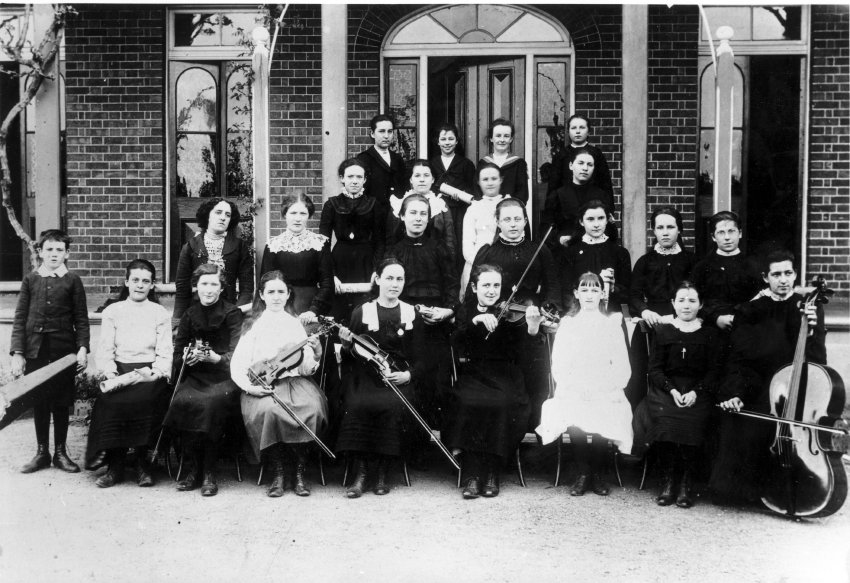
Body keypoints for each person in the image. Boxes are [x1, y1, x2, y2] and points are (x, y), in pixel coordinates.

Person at [710, 250, 826, 505]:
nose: (783, 280)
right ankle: (750, 492)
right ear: (766, 278)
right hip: (756, 384)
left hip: (795, 389)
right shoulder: (750, 310)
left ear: (795, 274)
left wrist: (813, 330)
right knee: (741, 421)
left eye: (788, 273)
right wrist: (735, 393)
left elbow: (819, 362)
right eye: (776, 274)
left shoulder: (809, 308)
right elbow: (737, 359)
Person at [443, 264, 543, 499]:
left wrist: (533, 327)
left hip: (506, 376)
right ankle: (472, 474)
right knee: (468, 401)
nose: (491, 290)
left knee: (500, 403)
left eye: (496, 285)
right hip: (474, 374)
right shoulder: (466, 310)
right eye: (486, 285)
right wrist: (475, 322)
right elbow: (454, 342)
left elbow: (526, 357)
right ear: (475, 287)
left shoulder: (512, 314)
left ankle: (492, 472)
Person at [231, 270, 329, 498]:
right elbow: (238, 363)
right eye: (271, 292)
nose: (276, 296)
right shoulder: (252, 324)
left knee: (311, 409)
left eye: (281, 292)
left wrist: (315, 353)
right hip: (262, 384)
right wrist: (250, 387)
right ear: (262, 295)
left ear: (288, 295)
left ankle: (299, 471)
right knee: (270, 411)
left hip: (295, 383)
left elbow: (304, 368)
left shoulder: (294, 324)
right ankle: (278, 471)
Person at [536, 272, 632, 497]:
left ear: (602, 293)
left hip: (604, 384)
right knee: (571, 406)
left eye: (594, 289)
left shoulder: (611, 323)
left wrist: (606, 386)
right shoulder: (569, 324)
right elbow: (559, 362)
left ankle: (597, 472)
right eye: (585, 290)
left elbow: (620, 362)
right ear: (577, 294)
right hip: (574, 384)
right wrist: (576, 385)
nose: (590, 295)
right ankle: (583, 471)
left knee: (604, 408)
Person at [335, 258, 424, 498]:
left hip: (398, 376)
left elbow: (422, 355)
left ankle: (384, 471)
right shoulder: (362, 311)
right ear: (378, 279)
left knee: (394, 405)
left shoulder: (410, 312)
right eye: (389, 278)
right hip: (365, 376)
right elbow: (351, 355)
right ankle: (361, 473)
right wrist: (345, 345)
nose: (394, 284)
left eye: (399, 279)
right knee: (358, 404)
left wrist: (408, 374)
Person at [472, 198, 561, 427]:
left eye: (518, 219)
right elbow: (476, 293)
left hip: (531, 324)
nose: (513, 224)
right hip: (498, 324)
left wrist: (546, 309)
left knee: (534, 374)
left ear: (525, 221)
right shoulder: (488, 252)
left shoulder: (538, 250)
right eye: (507, 219)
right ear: (498, 222)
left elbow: (553, 286)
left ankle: (533, 425)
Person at [86, 259, 172, 488]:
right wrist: (111, 373)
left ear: (152, 285)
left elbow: (165, 351)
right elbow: (105, 348)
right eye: (135, 280)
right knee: (112, 401)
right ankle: (115, 466)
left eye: (146, 281)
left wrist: (156, 373)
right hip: (120, 371)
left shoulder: (159, 313)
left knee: (147, 400)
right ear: (127, 282)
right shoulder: (113, 311)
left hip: (149, 372)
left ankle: (144, 464)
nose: (140, 285)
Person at [385, 194, 459, 457]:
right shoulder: (393, 249)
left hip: (435, 321)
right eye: (413, 213)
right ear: (402, 216)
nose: (418, 219)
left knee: (436, 381)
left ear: (429, 219)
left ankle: (439, 447)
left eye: (423, 214)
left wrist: (446, 311)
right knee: (408, 378)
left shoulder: (440, 248)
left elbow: (451, 286)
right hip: (403, 321)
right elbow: (388, 289)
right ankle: (410, 447)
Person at [10, 229, 90, 474]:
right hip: (36, 351)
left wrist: (82, 349)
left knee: (61, 401)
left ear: (67, 253)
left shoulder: (72, 280)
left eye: (59, 250)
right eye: (49, 249)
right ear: (40, 252)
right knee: (40, 401)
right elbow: (20, 317)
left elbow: (81, 319)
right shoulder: (31, 280)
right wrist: (18, 353)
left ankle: (60, 453)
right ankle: (42, 452)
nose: (54, 254)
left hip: (63, 352)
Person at [163, 264, 244, 496]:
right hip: (196, 376)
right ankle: (192, 469)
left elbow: (238, 354)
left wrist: (217, 358)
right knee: (183, 401)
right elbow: (178, 352)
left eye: (213, 284)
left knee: (209, 405)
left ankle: (209, 471)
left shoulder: (232, 313)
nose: (208, 290)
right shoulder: (189, 314)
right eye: (204, 284)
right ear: (196, 287)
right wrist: (187, 358)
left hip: (225, 378)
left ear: (221, 288)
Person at [642, 282, 723, 508]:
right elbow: (655, 369)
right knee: (666, 420)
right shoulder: (663, 330)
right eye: (681, 300)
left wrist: (696, 392)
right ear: (673, 304)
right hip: (667, 390)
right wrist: (673, 389)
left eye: (692, 301)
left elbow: (714, 371)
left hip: (699, 390)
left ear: (701, 305)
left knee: (694, 422)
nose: (686, 305)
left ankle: (686, 483)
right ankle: (668, 482)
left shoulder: (710, 333)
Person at [627, 207, 697, 408]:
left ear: (679, 230)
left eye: (670, 227)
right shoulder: (645, 261)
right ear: (654, 231)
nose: (665, 232)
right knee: (641, 371)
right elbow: (634, 295)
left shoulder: (691, 261)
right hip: (652, 323)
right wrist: (645, 311)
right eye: (660, 227)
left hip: (682, 323)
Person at [319, 158, 385, 324]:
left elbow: (380, 241)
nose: (354, 181)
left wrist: (376, 270)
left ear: (365, 179)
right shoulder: (331, 204)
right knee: (339, 311)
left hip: (366, 262)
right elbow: (323, 244)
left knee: (364, 311)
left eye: (358, 177)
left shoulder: (374, 204)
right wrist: (331, 275)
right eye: (350, 177)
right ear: (342, 178)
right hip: (339, 261)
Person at [173, 198, 253, 325]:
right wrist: (177, 320)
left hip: (229, 313)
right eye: (218, 212)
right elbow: (182, 288)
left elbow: (247, 288)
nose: (223, 218)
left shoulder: (239, 247)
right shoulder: (190, 246)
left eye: (227, 215)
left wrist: (235, 313)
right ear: (207, 215)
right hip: (197, 314)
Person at [260, 192, 333, 323]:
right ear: (284, 215)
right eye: (293, 213)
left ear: (309, 216)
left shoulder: (320, 243)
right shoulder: (273, 245)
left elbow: (327, 283)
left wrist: (313, 310)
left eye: (303, 213)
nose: (297, 218)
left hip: (312, 306)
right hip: (281, 306)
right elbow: (266, 284)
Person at [691, 210, 763, 331]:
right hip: (711, 329)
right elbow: (694, 299)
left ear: (740, 233)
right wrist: (715, 318)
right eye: (721, 232)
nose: (727, 237)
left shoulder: (753, 265)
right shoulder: (702, 267)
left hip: (746, 329)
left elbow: (761, 300)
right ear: (713, 237)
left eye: (731, 231)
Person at [559, 200, 631, 313]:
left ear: (607, 220)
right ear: (581, 222)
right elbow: (566, 291)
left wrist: (612, 287)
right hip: (578, 316)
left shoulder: (620, 253)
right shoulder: (571, 252)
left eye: (601, 218)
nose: (596, 224)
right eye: (590, 219)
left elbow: (627, 292)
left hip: (611, 316)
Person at [541, 147, 616, 248]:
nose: (585, 168)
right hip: (566, 252)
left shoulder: (601, 196)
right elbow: (545, 229)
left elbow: (611, 231)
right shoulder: (558, 195)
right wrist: (559, 239)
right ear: (571, 165)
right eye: (580, 163)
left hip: (594, 251)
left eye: (590, 165)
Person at [386, 159, 456, 258]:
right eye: (417, 175)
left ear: (432, 179)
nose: (422, 180)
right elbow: (391, 241)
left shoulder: (440, 205)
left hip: (434, 260)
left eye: (426, 175)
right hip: (404, 258)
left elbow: (450, 241)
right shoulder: (398, 204)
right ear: (410, 179)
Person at [460, 162, 508, 298]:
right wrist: (478, 266)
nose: (490, 183)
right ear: (479, 182)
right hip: (477, 263)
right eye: (485, 179)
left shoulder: (509, 204)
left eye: (494, 179)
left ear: (501, 180)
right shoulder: (474, 208)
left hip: (504, 262)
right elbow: (467, 244)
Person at [431, 122, 476, 265]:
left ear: (456, 141)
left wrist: (462, 194)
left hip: (459, 212)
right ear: (437, 141)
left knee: (458, 244)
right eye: (443, 139)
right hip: (438, 211)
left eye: (451, 139)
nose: (447, 143)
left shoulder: (466, 164)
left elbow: (473, 189)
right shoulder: (432, 163)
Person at [548, 114, 613, 196]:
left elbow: (605, 184)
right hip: (566, 203)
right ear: (568, 131)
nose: (578, 131)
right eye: (573, 128)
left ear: (588, 131)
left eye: (582, 127)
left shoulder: (596, 154)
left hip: (592, 202)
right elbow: (553, 186)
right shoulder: (561, 155)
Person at [356, 114, 407, 212]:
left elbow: (404, 187)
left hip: (396, 215)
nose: (386, 136)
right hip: (373, 215)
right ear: (372, 133)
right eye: (381, 131)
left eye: (390, 131)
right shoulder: (364, 159)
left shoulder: (397, 159)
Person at [477, 118, 528, 204]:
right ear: (491, 138)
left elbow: (522, 194)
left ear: (511, 139)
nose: (502, 140)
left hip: (510, 211)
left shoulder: (519, 163)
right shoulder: (483, 163)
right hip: (487, 210)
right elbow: (477, 191)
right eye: (498, 135)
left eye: (506, 136)